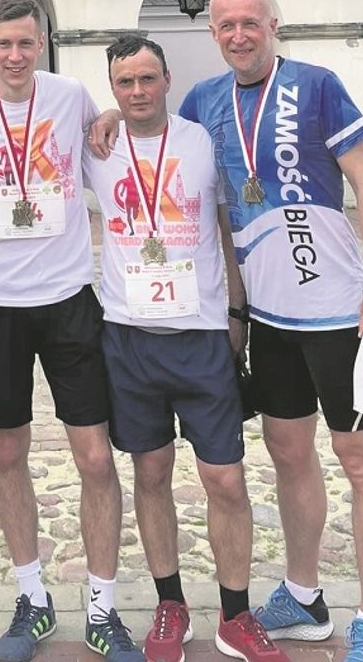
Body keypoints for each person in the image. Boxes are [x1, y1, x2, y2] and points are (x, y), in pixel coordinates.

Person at [182, 0, 363, 662]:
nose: (239, 34)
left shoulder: (318, 84)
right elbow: (212, 207)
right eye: (227, 25)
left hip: (339, 312)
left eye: (250, 22)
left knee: (359, 458)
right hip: (272, 320)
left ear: (272, 25)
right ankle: (303, 596)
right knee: (288, 453)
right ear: (213, 32)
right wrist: (238, 310)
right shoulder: (201, 103)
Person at [0, 0, 141, 662]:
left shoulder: (71, 96)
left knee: (93, 456)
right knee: (7, 454)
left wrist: (115, 111)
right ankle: (32, 598)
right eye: (4, 44)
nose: (16, 55)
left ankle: (103, 607)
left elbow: (108, 143)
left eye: (27, 43)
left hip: (67, 298)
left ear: (42, 42)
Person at [84, 35, 290, 662]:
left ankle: (235, 613)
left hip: (200, 336)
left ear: (168, 78)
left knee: (224, 479)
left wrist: (237, 309)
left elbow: (227, 227)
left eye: (148, 79)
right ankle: (170, 604)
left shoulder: (204, 141)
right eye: (125, 83)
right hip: (128, 336)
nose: (138, 92)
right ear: (112, 87)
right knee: (151, 473)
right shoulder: (98, 144)